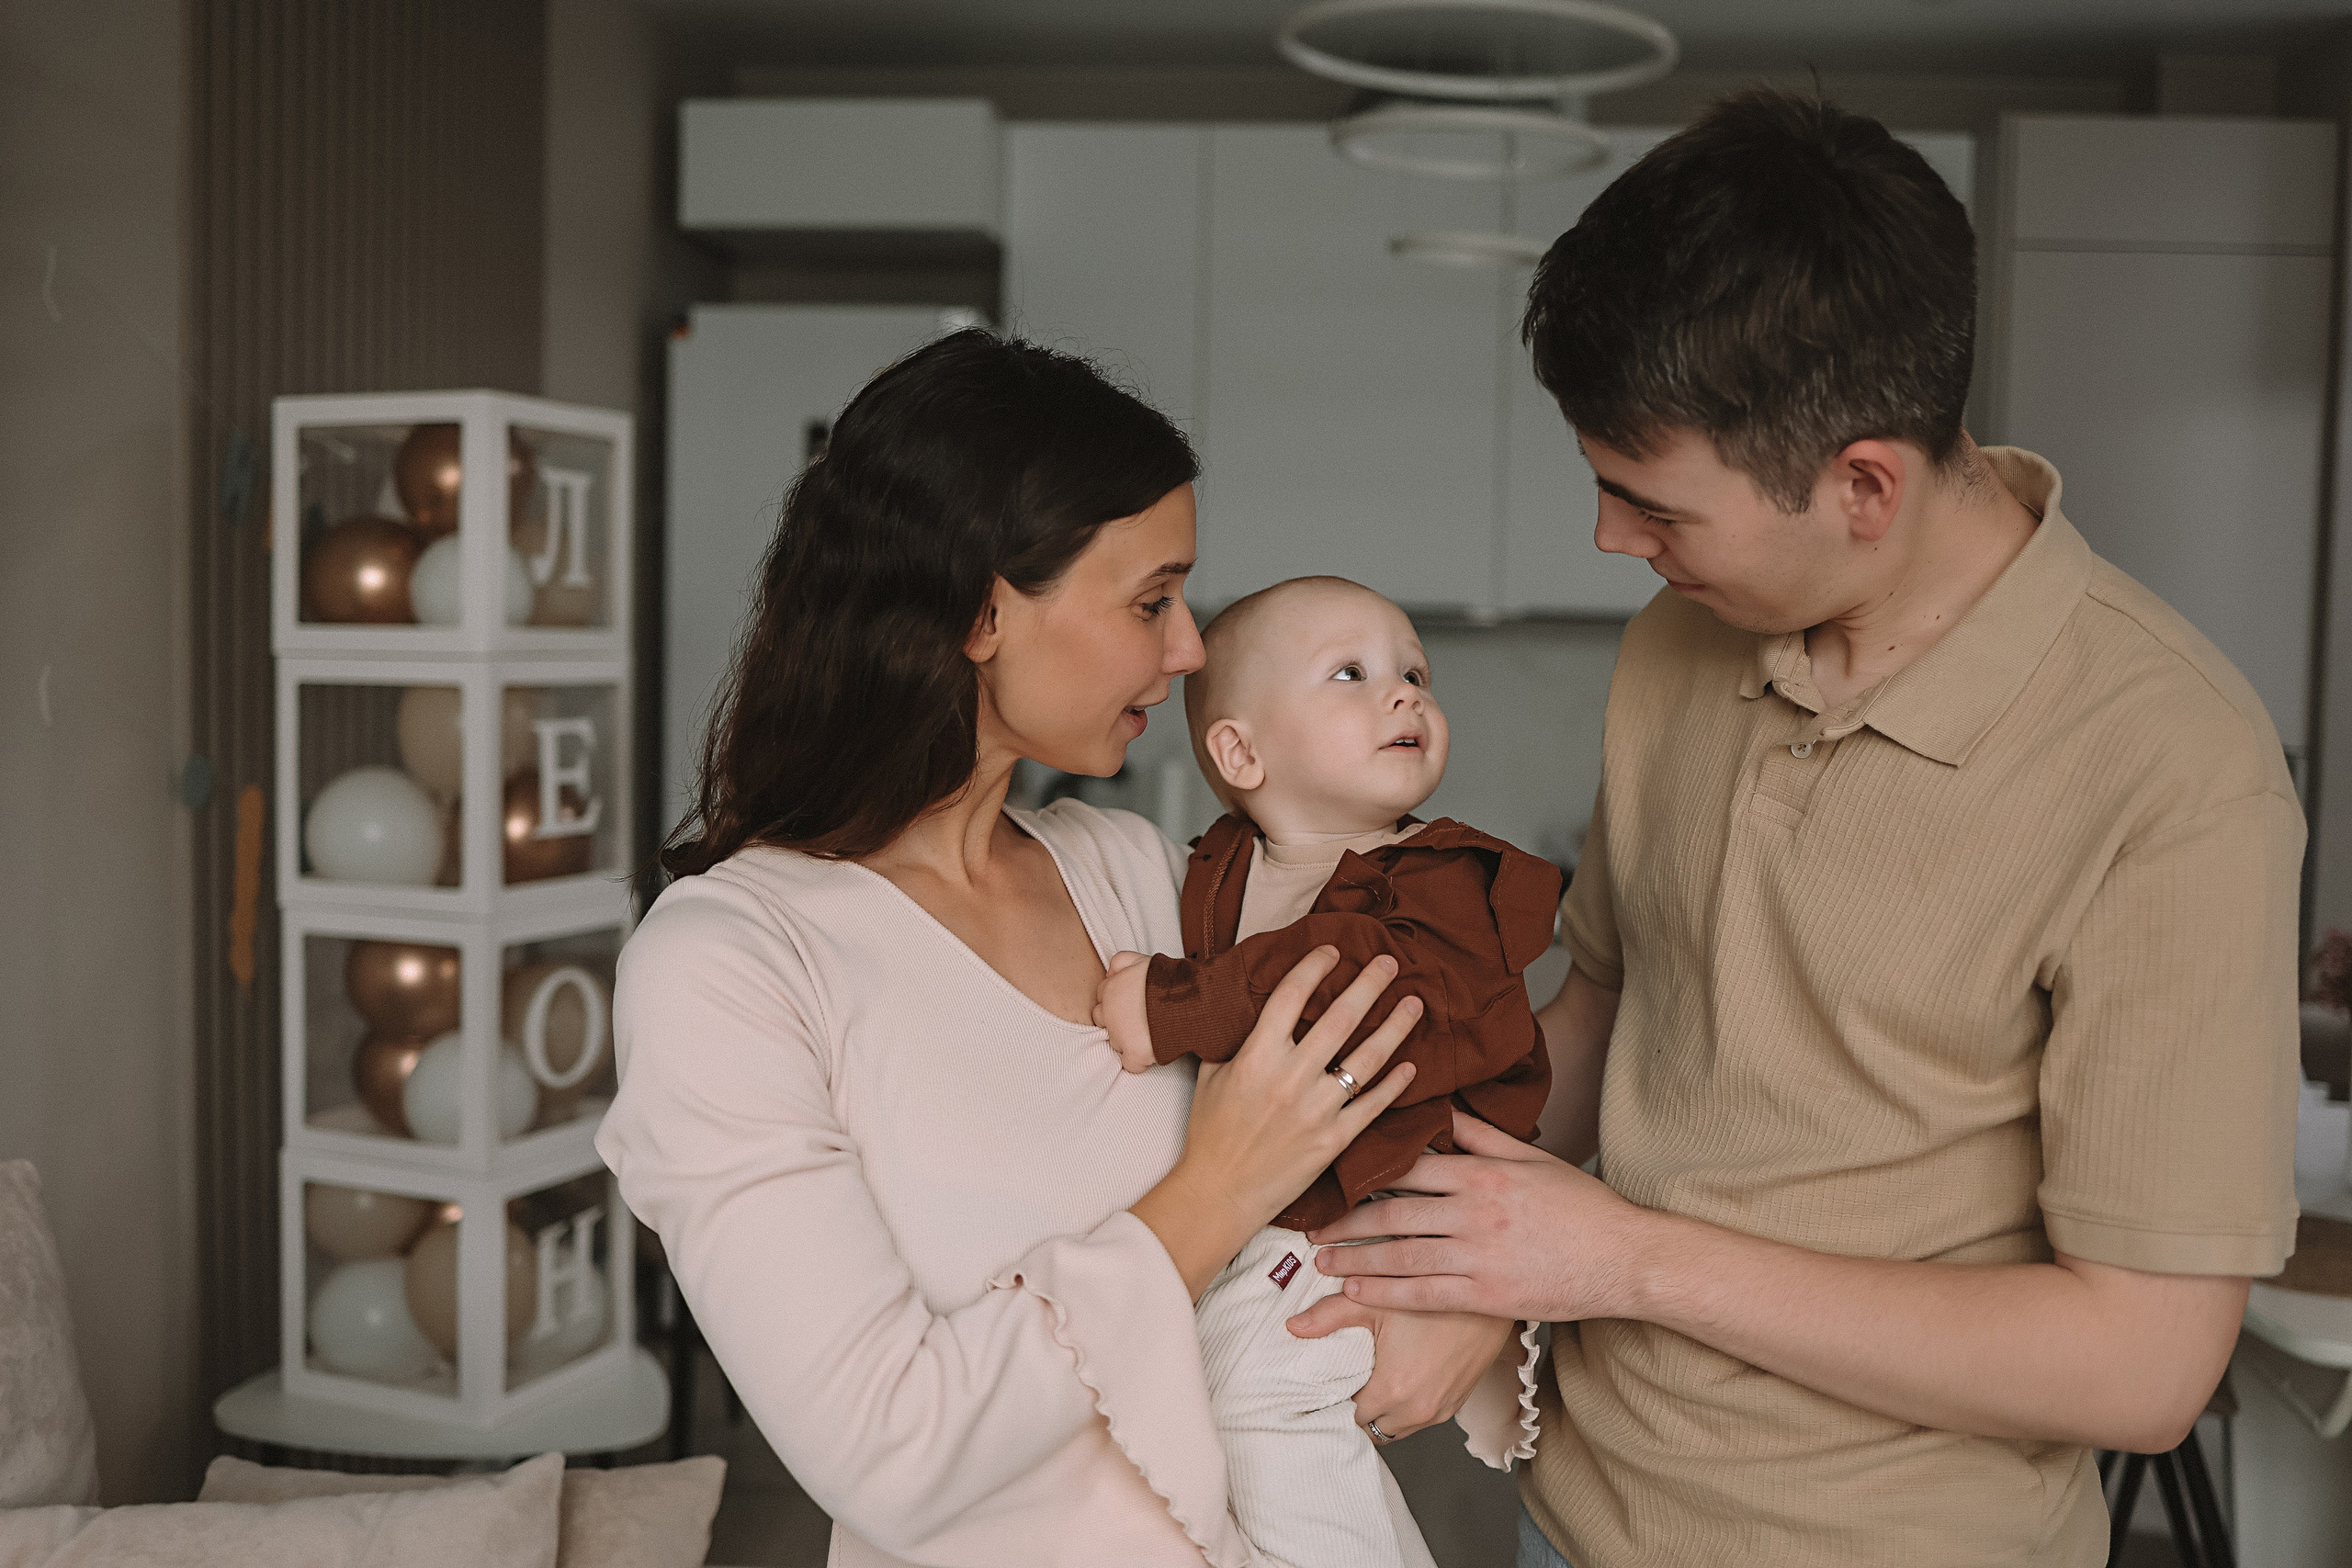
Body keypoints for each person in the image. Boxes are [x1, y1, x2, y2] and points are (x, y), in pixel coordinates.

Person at [1298, 88, 2304, 1567]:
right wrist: (1383, 1224)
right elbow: (1610, 1014)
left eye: (1652, 503)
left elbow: (2142, 1364)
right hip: (1568, 1515)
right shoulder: (1681, 638)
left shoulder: (2173, 766)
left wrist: (1624, 1258)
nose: (1611, 539)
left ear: (1864, 485)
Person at [594, 331, 1518, 1568]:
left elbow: (1412, 1071)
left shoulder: (1134, 867)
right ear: (982, 611)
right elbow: (893, 1451)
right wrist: (1213, 1189)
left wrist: (1476, 1292)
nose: (1189, 649)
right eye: (1151, 600)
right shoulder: (730, 964)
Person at [1093, 575, 1559, 1567]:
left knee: (1261, 1394)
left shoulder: (1442, 879)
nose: (1404, 693)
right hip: (1287, 1206)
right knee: (1220, 1415)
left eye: (1415, 673)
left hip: (1387, 1212)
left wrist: (1169, 1005)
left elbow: (1338, 977)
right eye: (1351, 674)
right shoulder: (1221, 865)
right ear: (1241, 754)